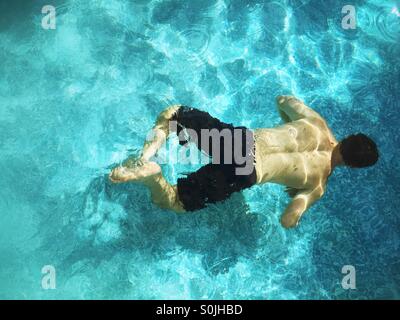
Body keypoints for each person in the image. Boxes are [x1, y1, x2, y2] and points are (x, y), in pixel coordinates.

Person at [109, 96, 379, 228]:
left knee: (173, 115)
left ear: (349, 137)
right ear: (354, 166)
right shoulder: (318, 184)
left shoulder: (316, 123)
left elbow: (283, 100)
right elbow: (287, 219)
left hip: (242, 143)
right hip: (248, 172)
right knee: (174, 202)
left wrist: (287, 123)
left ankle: (146, 155)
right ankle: (153, 175)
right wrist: (296, 206)